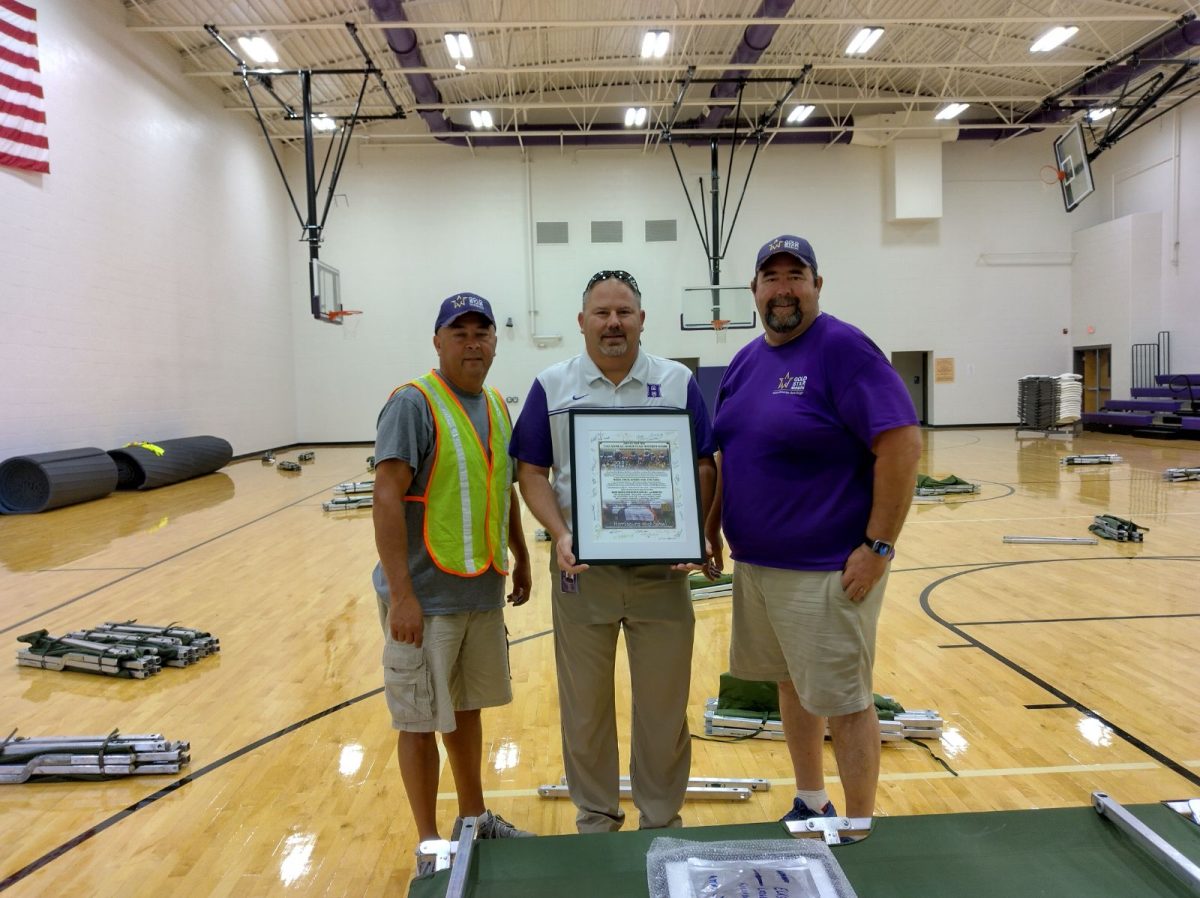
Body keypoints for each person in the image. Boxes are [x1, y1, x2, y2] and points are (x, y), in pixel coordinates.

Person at [706, 236, 922, 822]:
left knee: (845, 701)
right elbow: (731, 453)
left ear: (817, 285)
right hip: (757, 566)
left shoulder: (845, 350)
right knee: (791, 686)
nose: (783, 288)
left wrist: (878, 546)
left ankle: (859, 825)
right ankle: (811, 800)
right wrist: (710, 529)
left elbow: (901, 445)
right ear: (754, 290)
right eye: (770, 277)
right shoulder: (746, 362)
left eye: (795, 275)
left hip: (827, 570)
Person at [510, 269, 717, 833]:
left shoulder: (677, 383)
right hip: (583, 575)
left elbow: (702, 461)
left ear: (642, 320)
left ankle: (659, 822)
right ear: (582, 322)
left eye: (624, 312)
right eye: (601, 313)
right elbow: (530, 471)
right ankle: (596, 823)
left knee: (663, 712)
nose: (613, 323)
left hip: (663, 574)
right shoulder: (551, 385)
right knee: (585, 713)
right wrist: (559, 531)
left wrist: (697, 528)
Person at [371, 292, 534, 875]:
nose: (472, 342)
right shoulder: (413, 404)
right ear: (437, 341)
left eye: (481, 332)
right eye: (459, 332)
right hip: (425, 601)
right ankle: (430, 842)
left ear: (494, 342)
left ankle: (474, 820)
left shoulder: (494, 403)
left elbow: (505, 484)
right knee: (418, 721)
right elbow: (386, 496)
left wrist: (519, 551)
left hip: (480, 593)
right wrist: (402, 596)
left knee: (466, 711)